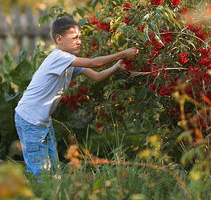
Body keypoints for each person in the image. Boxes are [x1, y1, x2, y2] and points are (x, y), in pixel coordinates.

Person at [14, 17, 138, 178]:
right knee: (39, 172)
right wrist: (123, 53)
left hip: (42, 121)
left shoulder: (69, 62)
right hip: (30, 120)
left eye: (80, 37)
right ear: (59, 39)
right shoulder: (58, 57)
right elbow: (93, 63)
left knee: (52, 170)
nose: (79, 41)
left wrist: (117, 66)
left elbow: (97, 76)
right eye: (74, 38)